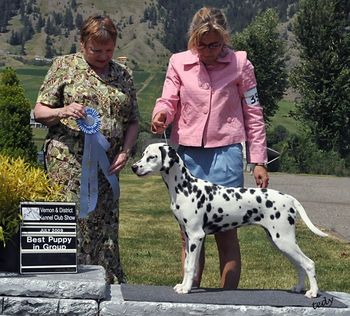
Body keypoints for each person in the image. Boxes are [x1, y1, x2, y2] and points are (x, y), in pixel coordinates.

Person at [151, 7, 269, 289]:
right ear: (192, 40)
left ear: (225, 39)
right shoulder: (178, 63)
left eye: (214, 44)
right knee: (190, 235)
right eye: (200, 45)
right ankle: (191, 295)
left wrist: (259, 160)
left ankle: (228, 301)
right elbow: (168, 99)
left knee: (227, 234)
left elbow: (253, 112)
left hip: (226, 155)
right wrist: (162, 114)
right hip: (188, 157)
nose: (207, 50)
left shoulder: (241, 64)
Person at [34, 15, 139, 283]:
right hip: (68, 164)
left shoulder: (123, 74)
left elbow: (133, 121)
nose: (103, 55)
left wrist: (126, 151)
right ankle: (63, 281)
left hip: (107, 165)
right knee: (72, 223)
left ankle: (106, 283)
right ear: (82, 44)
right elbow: (40, 111)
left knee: (103, 228)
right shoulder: (64, 66)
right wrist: (63, 110)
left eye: (109, 50)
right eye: (96, 50)